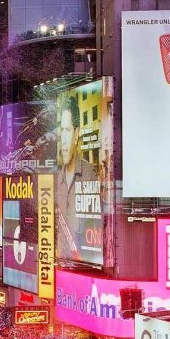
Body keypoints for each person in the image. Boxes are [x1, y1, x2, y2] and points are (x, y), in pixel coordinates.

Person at [56, 94, 99, 263]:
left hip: (84, 264)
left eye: (67, 130)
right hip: (58, 264)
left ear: (76, 133)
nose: (63, 139)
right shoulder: (55, 177)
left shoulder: (89, 174)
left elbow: (95, 228)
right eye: (61, 130)